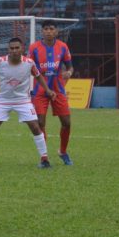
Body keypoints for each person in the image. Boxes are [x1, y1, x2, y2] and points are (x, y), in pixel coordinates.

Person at [0, 37, 56, 168]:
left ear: (22, 49)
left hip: (23, 101)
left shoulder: (29, 63)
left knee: (35, 126)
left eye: (17, 48)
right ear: (8, 49)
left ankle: (45, 159)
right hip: (3, 100)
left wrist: (48, 90)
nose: (14, 50)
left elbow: (38, 76)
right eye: (11, 48)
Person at [29, 20, 74, 167]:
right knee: (40, 123)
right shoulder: (34, 48)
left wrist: (68, 73)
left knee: (66, 123)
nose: (49, 31)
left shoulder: (63, 47)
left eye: (51, 29)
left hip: (58, 90)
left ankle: (63, 151)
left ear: (56, 31)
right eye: (46, 29)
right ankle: (44, 157)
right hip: (40, 91)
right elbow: (28, 67)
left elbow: (70, 67)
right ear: (42, 31)